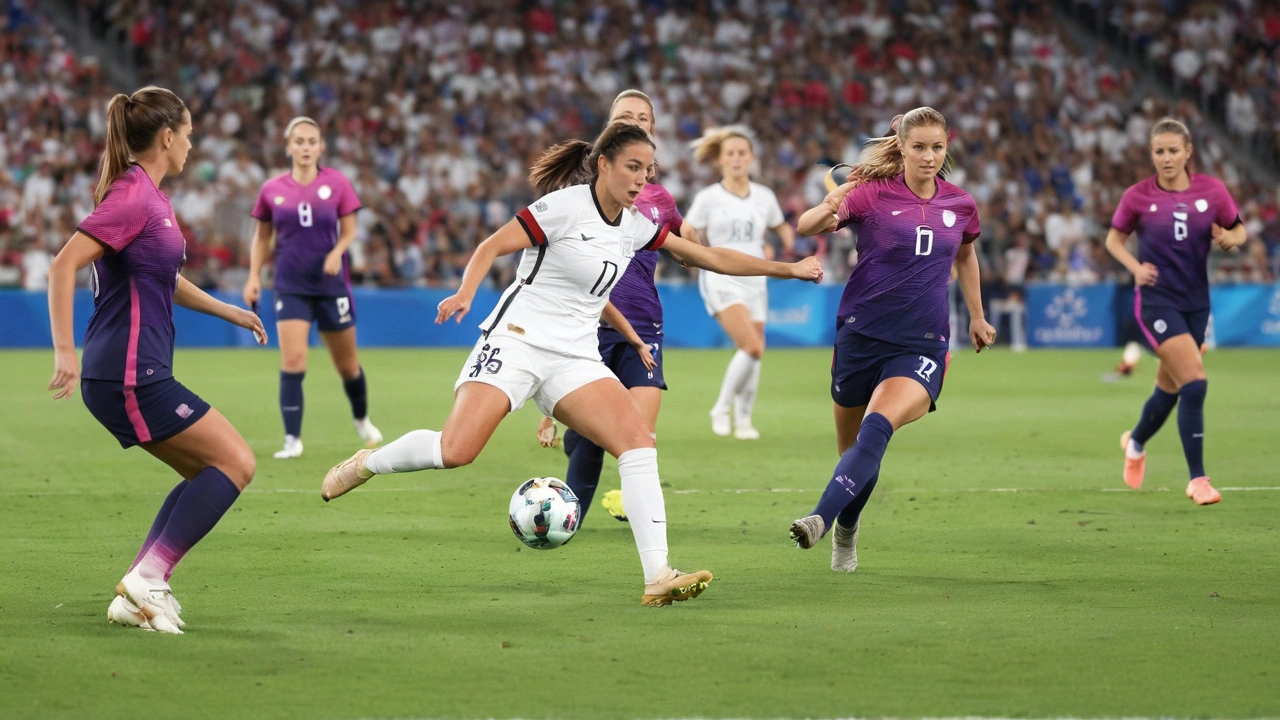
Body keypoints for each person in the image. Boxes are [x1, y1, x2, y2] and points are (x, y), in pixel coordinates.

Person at [321, 122, 823, 606]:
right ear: (602, 164)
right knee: (456, 450)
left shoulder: (632, 226)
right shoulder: (563, 208)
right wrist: (465, 292)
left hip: (575, 356)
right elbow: (491, 246)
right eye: (632, 167)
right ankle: (366, 462)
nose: (641, 180)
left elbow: (704, 256)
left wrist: (788, 269)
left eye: (648, 170)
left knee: (637, 440)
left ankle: (658, 576)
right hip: (517, 341)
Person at [46, 86, 267, 634]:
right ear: (167, 137)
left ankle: (137, 589)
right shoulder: (133, 197)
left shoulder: (148, 196)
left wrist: (228, 312)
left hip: (133, 371)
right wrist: (65, 352)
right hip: (127, 373)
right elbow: (61, 266)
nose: (192, 144)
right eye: (189, 133)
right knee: (236, 463)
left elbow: (164, 279)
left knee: (205, 471)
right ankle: (149, 577)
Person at [787, 106, 995, 571]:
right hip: (860, 337)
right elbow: (805, 226)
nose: (928, 156)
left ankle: (819, 520)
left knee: (876, 429)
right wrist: (835, 199)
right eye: (919, 147)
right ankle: (848, 527)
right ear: (900, 147)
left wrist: (978, 317)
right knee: (855, 455)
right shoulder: (870, 195)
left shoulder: (960, 203)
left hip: (921, 344)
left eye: (937, 147)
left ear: (947, 148)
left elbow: (966, 255)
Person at [533, 89, 697, 526]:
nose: (638, 122)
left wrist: (693, 242)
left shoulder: (660, 199)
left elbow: (683, 245)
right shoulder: (580, 196)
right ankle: (570, 520)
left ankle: (637, 512)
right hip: (588, 325)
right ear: (609, 131)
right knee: (588, 443)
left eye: (645, 117)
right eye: (628, 116)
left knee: (639, 435)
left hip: (643, 326)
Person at [1104, 117, 1244, 505]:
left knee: (1169, 389)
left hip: (1196, 303)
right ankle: (1198, 479)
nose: (1165, 158)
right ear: (1152, 154)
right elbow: (1113, 240)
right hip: (1156, 302)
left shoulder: (1212, 191)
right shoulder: (1137, 196)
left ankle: (1134, 442)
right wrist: (1135, 269)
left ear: (1188, 152)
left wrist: (1229, 239)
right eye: (1159, 151)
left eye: (1172, 151)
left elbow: (1239, 229)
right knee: (1195, 382)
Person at [243, 116, 381, 460]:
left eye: (311, 141)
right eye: (299, 141)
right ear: (288, 146)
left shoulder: (338, 183)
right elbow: (262, 238)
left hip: (331, 286)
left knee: (347, 365)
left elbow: (349, 231)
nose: (305, 147)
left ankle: (362, 419)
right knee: (292, 359)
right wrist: (252, 277)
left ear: (321, 147)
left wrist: (337, 252)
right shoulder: (272, 189)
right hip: (290, 285)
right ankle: (292, 439)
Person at [685, 125, 796, 439]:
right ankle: (720, 407)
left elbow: (781, 227)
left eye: (741, 153)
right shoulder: (708, 197)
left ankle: (744, 421)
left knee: (756, 350)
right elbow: (687, 230)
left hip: (755, 277)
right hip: (721, 276)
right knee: (750, 346)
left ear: (751, 158)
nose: (736, 159)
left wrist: (790, 242)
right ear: (720, 160)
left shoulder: (764, 196)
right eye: (730, 154)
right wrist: (700, 254)